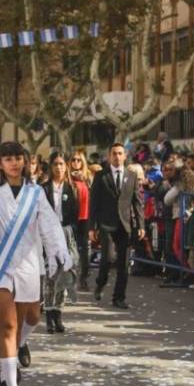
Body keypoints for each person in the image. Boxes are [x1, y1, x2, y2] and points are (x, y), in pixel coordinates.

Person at [0, 142, 71, 386]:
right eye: (7, 159)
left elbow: (49, 225)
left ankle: (21, 344)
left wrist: (60, 251)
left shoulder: (35, 193)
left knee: (32, 317)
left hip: (28, 266)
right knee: (8, 325)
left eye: (17, 158)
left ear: (25, 161)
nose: (13, 163)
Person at [89, 143, 145, 309]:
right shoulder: (101, 176)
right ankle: (100, 283)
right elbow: (94, 203)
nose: (117, 157)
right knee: (108, 258)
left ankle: (119, 297)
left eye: (120, 154)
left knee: (123, 263)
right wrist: (92, 227)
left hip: (125, 225)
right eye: (114, 153)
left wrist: (141, 225)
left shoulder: (132, 175)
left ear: (125, 156)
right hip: (106, 224)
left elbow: (137, 202)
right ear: (109, 155)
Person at [42, 151, 78, 334]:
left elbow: (76, 216)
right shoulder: (43, 188)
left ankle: (58, 314)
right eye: (55, 164)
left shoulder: (72, 189)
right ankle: (48, 316)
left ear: (66, 166)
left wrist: (70, 232)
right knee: (50, 278)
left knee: (64, 277)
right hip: (48, 237)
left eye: (61, 164)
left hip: (66, 235)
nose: (58, 167)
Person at [69, 150, 92, 290]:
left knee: (85, 250)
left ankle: (83, 278)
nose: (76, 162)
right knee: (71, 249)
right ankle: (70, 279)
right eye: (73, 160)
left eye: (79, 160)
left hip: (86, 218)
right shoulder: (67, 178)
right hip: (72, 218)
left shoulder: (88, 177)